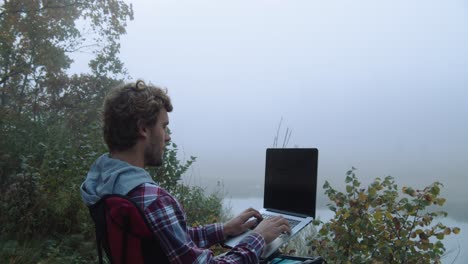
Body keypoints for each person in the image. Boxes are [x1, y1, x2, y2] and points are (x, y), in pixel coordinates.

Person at [80, 80, 290, 263]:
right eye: (164, 127)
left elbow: (165, 240)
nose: (168, 137)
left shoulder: (103, 184)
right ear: (143, 128)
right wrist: (258, 238)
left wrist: (223, 230)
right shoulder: (152, 200)